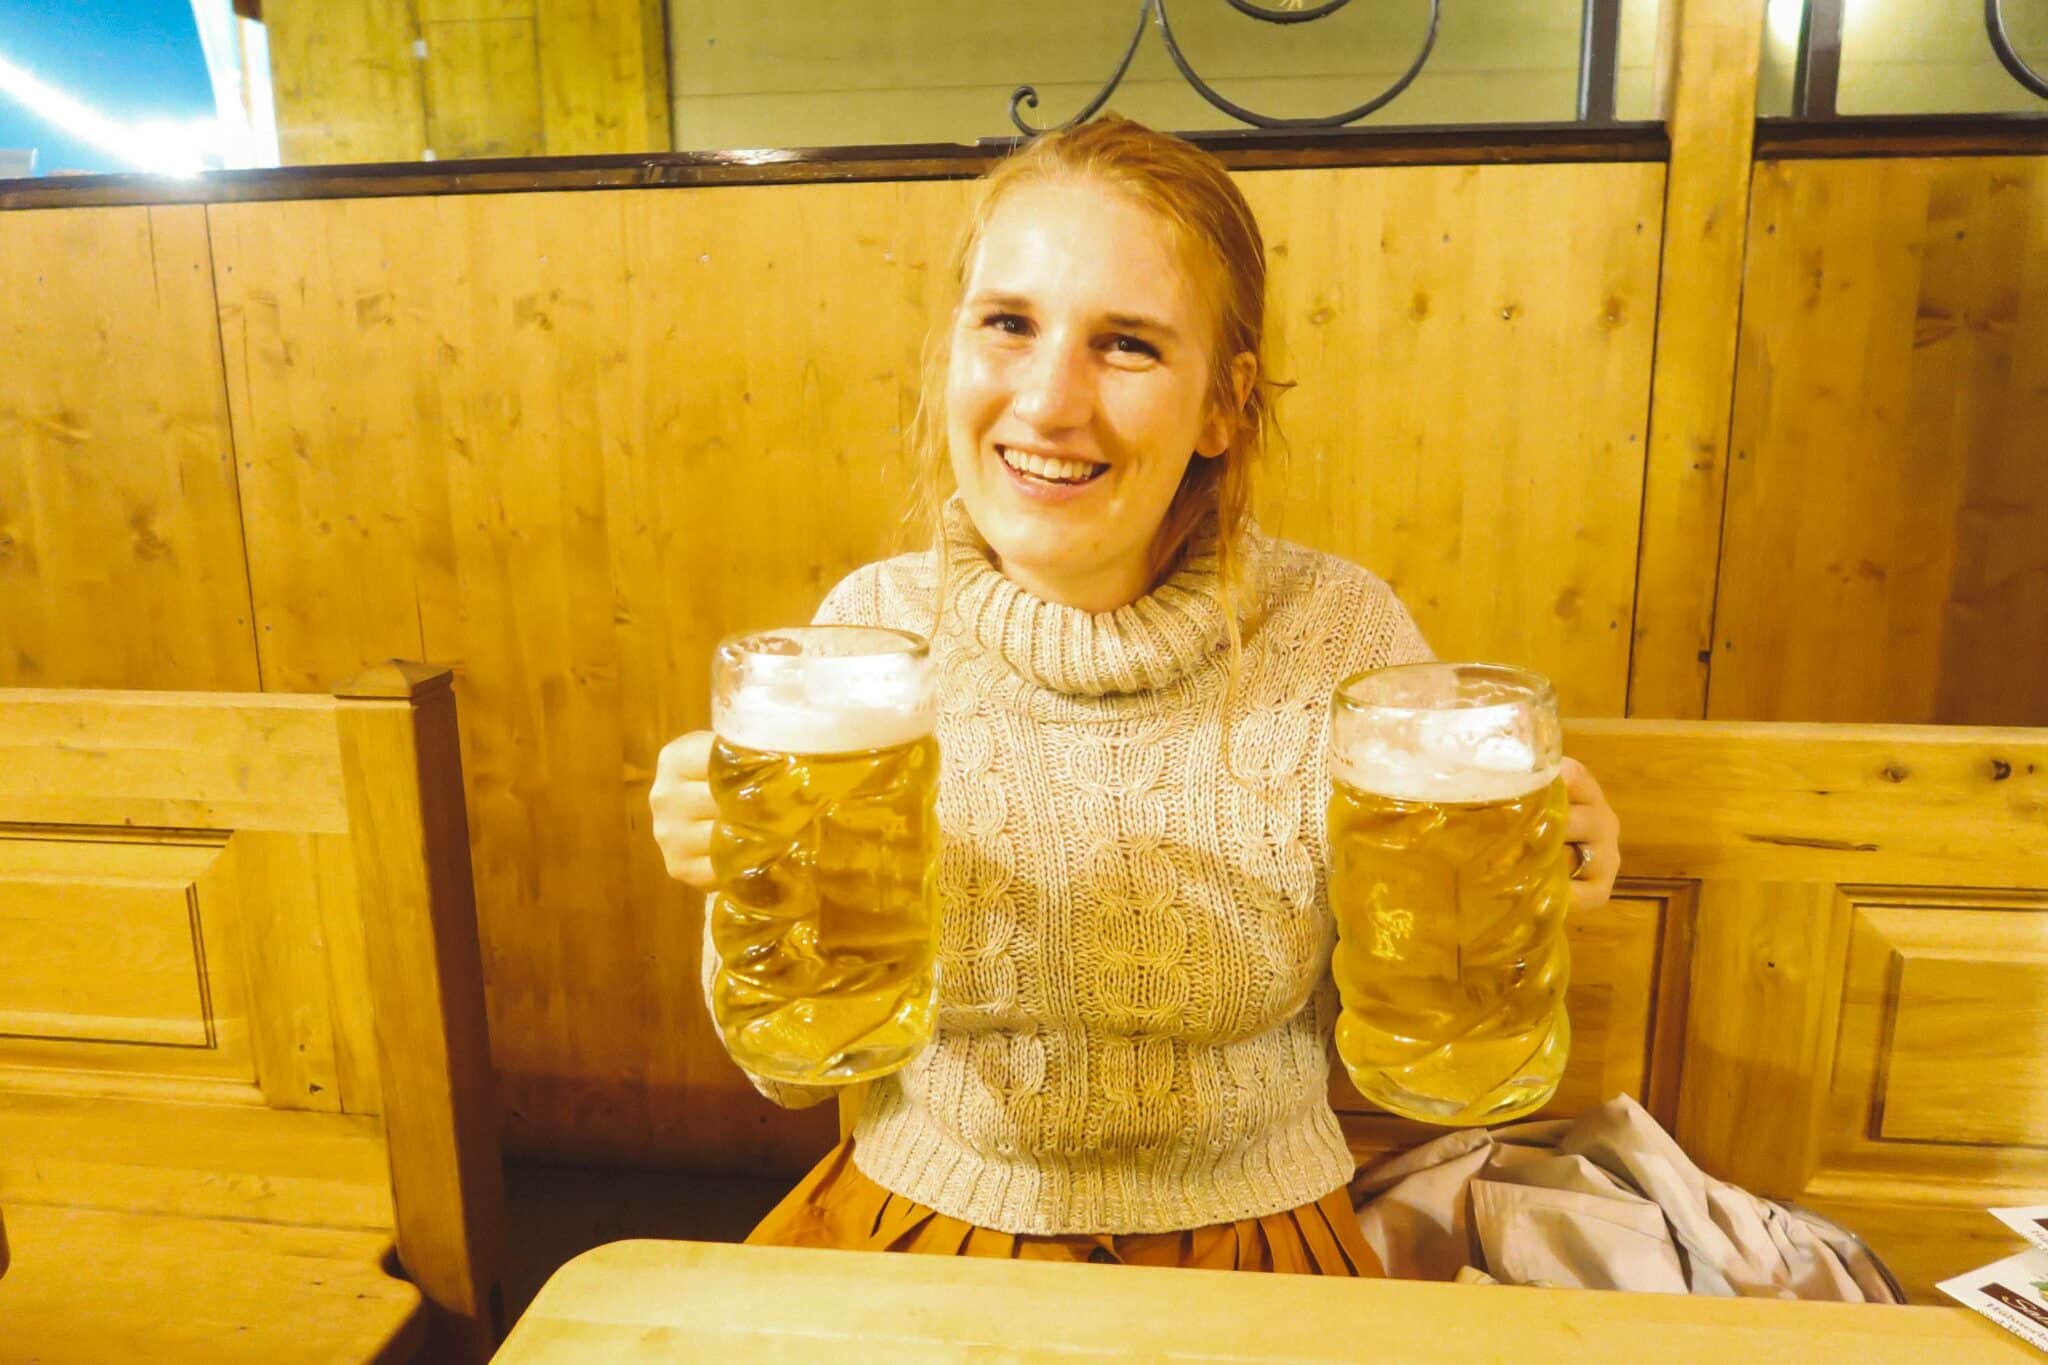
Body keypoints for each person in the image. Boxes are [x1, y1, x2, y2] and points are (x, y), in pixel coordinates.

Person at [650, 113, 1621, 1275]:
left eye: (1126, 345)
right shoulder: (871, 640)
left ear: (1223, 403)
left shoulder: (1340, 636)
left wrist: (1544, 869)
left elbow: (1427, 1022)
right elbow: (789, 1069)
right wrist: (732, 873)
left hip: (1257, 1247)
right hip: (916, 1233)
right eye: (1008, 324)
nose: (1049, 402)